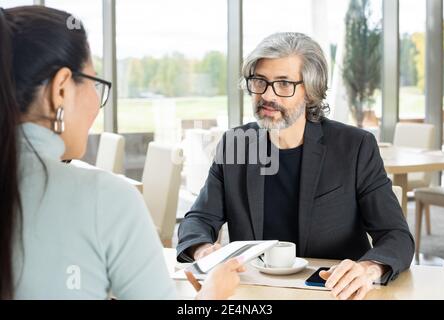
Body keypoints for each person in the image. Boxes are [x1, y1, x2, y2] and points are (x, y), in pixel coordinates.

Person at [0, 5, 244, 300]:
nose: (96, 102)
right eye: (94, 83)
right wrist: (212, 295)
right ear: (61, 90)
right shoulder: (104, 198)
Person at [177, 32, 415, 300]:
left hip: (331, 293)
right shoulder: (236, 144)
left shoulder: (355, 147)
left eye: (283, 84)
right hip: (255, 293)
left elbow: (396, 236)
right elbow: (199, 219)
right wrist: (204, 251)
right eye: (260, 82)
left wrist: (369, 268)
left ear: (310, 92)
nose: (267, 95)